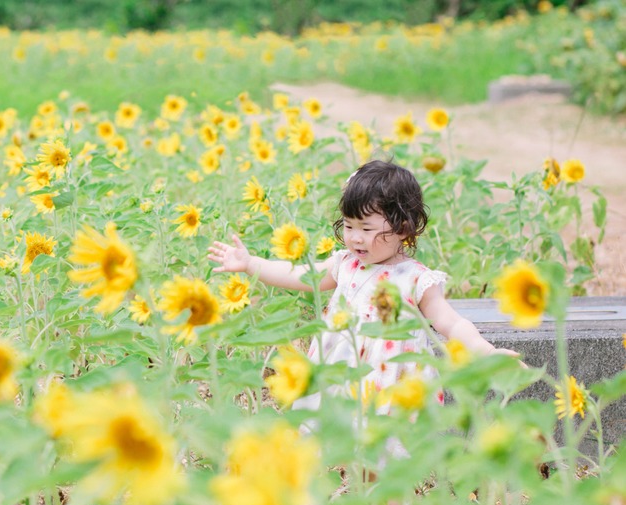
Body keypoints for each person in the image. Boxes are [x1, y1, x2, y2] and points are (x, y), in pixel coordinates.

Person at [207, 159, 514, 416]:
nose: (354, 238)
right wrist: (251, 264)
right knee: (341, 443)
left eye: (366, 229)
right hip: (341, 372)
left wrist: (486, 351)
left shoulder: (416, 278)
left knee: (383, 452)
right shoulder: (345, 264)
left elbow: (450, 322)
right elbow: (299, 274)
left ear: (403, 228)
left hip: (391, 381)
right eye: (349, 226)